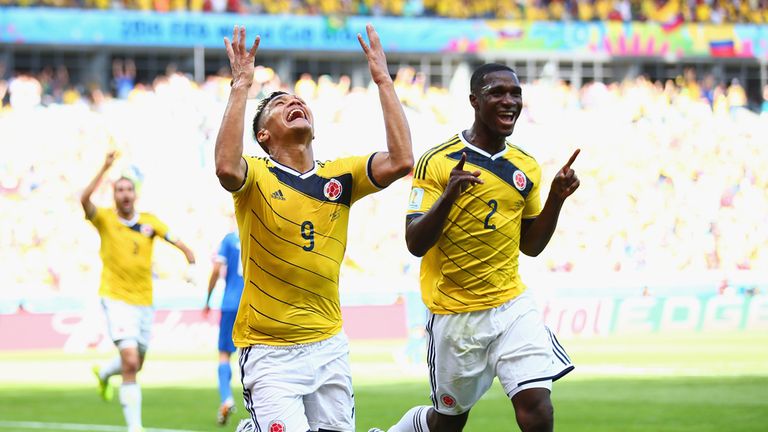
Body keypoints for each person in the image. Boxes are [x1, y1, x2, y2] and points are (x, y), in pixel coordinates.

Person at [214, 24, 413, 432]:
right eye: (281, 103)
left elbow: (401, 160)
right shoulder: (255, 174)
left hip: (328, 345)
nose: (295, 103)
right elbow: (225, 167)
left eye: (299, 101)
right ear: (264, 135)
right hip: (269, 349)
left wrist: (383, 80)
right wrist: (241, 85)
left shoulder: (341, 176)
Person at [372, 63, 580, 432]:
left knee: (537, 408)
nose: (509, 101)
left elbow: (530, 246)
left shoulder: (525, 166)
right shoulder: (437, 161)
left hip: (511, 306)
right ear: (474, 101)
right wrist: (449, 195)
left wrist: (556, 199)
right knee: (447, 424)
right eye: (497, 93)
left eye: (515, 93)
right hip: (456, 315)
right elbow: (415, 242)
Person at [84, 151, 196, 432]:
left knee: (135, 363)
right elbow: (83, 201)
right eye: (119, 190)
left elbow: (181, 244)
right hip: (116, 298)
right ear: (113, 195)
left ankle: (105, 373)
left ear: (135, 194)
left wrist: (191, 263)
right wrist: (104, 167)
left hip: (144, 301)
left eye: (128, 190)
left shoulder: (149, 222)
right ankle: (136, 428)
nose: (124, 194)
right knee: (131, 362)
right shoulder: (105, 219)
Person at [204, 228, 245, 426]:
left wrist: (208, 298)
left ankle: (226, 398)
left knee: (224, 354)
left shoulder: (229, 239)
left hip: (230, 303)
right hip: (254, 304)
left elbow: (215, 269)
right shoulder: (259, 230)